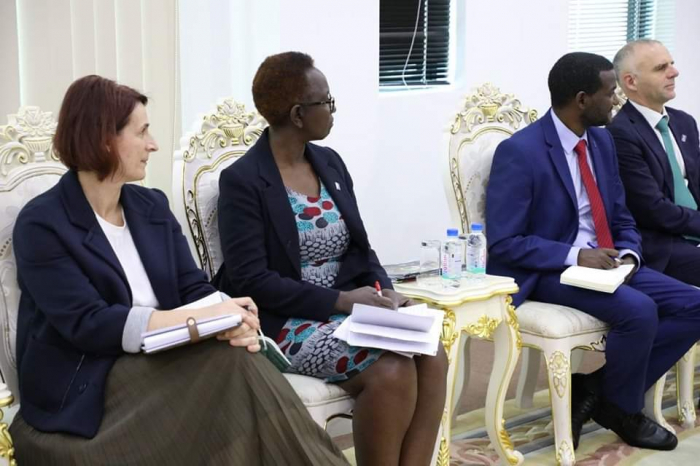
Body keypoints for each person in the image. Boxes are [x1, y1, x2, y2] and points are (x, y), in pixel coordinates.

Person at [10, 75, 349, 465]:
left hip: (163, 360)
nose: (153, 144)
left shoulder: (150, 207)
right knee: (231, 367)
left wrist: (229, 316)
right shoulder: (42, 224)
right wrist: (196, 321)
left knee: (239, 354)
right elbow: (89, 324)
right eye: (142, 132)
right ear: (104, 140)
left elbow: (193, 288)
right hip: (90, 382)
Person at [213, 52, 448, 466]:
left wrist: (385, 292)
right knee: (391, 371)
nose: (334, 110)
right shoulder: (243, 181)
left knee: (432, 353)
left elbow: (360, 247)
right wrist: (341, 301)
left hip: (347, 311)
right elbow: (251, 280)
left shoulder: (329, 163)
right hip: (284, 323)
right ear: (298, 114)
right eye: (327, 101)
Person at [486, 52, 700, 452]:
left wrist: (630, 254)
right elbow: (504, 241)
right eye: (610, 92)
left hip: (608, 264)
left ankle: (597, 392)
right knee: (639, 311)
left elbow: (621, 215)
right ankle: (624, 409)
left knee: (694, 305)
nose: (616, 100)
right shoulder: (521, 151)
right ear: (582, 100)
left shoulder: (602, 141)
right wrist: (575, 255)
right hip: (550, 270)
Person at [608, 39, 700, 286]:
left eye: (672, 64)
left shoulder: (684, 123)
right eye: (661, 68)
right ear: (631, 82)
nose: (674, 72)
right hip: (662, 244)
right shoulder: (621, 133)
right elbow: (653, 209)